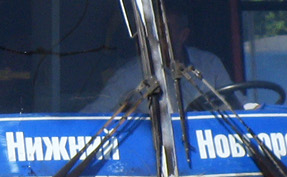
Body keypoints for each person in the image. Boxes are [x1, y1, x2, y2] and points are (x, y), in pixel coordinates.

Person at [88, 9, 231, 111]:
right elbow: (92, 118)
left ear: (183, 35)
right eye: (153, 32)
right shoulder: (129, 75)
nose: (156, 39)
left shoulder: (210, 64)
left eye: (164, 32)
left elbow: (237, 106)